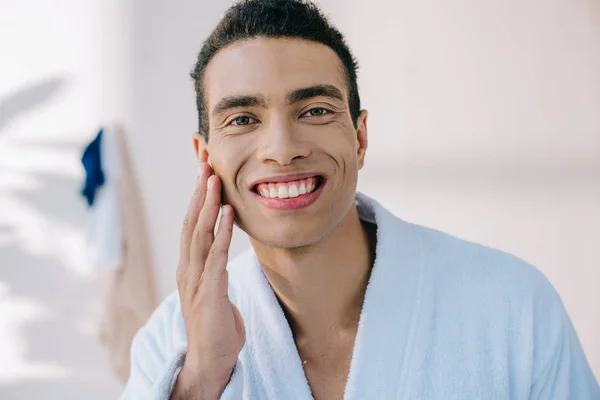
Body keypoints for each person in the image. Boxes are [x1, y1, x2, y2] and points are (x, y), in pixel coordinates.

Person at [120, 0, 600, 399]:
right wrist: (204, 375)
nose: (283, 150)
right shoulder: (170, 345)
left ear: (360, 138)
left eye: (315, 110)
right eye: (243, 119)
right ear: (206, 158)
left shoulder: (514, 307)